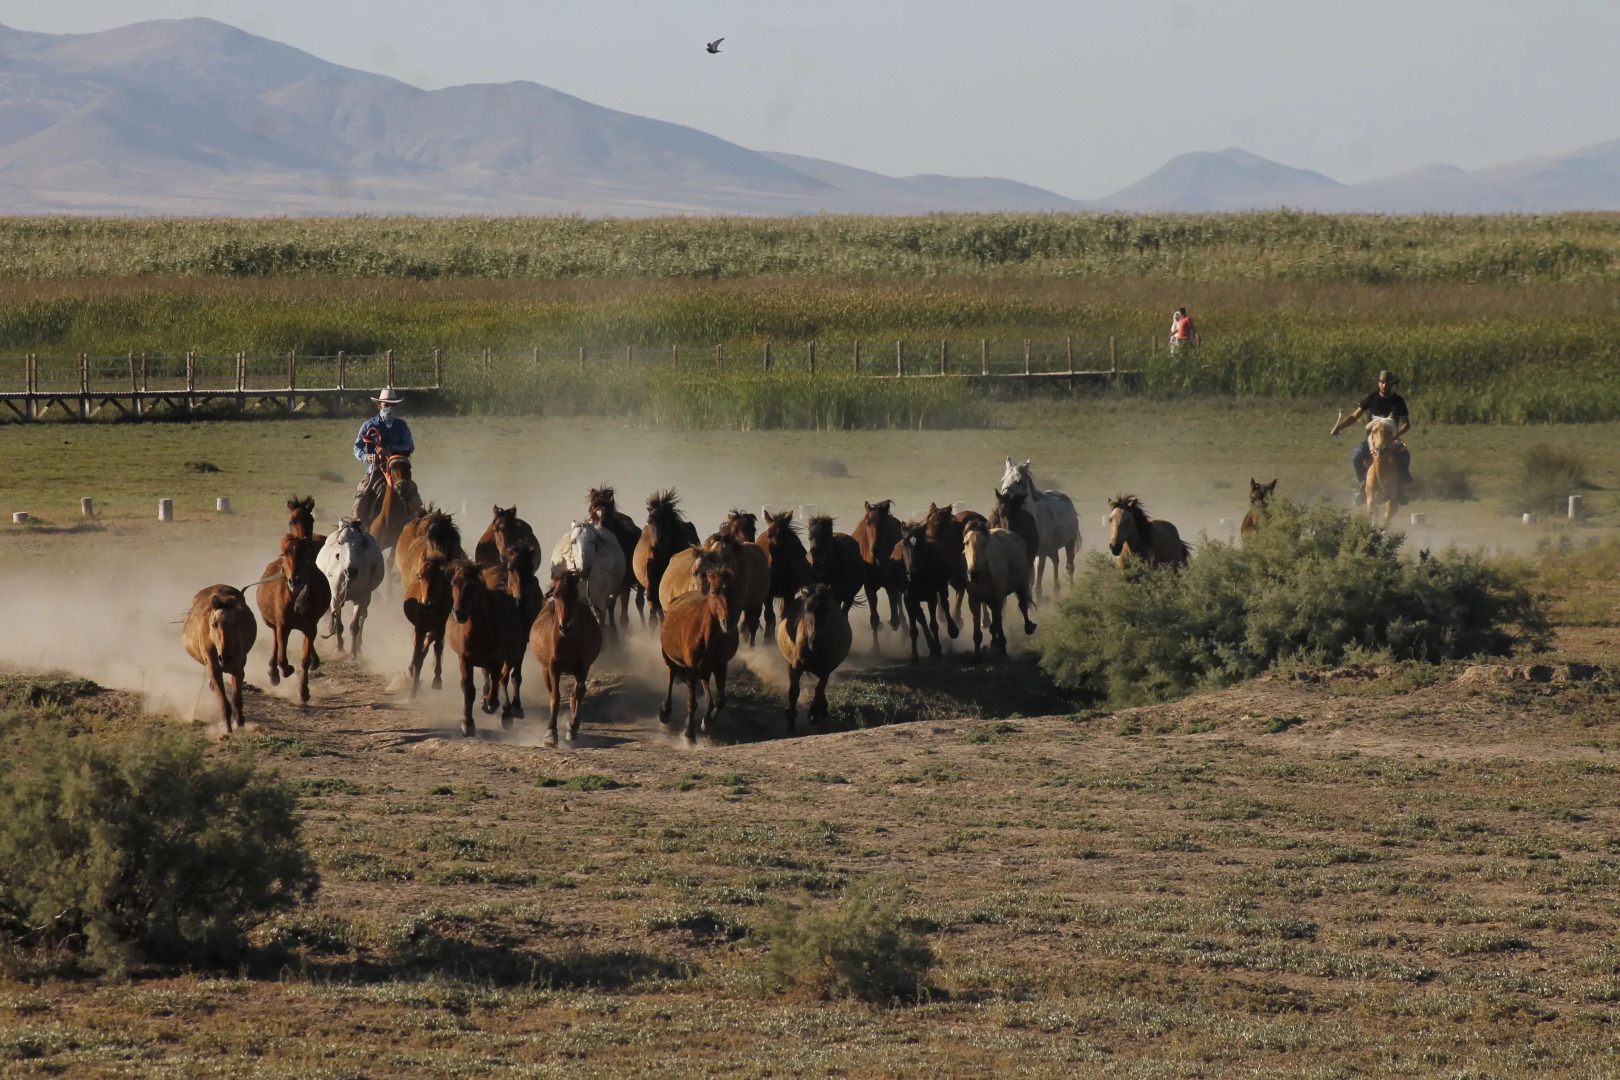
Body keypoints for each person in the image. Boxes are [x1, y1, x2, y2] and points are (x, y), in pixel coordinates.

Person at [1330, 370, 1412, 495]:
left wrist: (1397, 435)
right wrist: (1339, 427)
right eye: (1382, 383)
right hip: (1372, 439)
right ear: (1379, 384)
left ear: (1392, 385)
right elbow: (1354, 416)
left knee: (1405, 456)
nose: (1384, 386)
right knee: (1356, 457)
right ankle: (1361, 485)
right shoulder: (1371, 398)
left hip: (1392, 439)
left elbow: (1406, 424)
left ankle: (1401, 486)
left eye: (1387, 383)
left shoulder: (1398, 400)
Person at [352, 388, 415, 523]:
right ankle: (357, 525)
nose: (389, 408)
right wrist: (367, 457)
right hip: (375, 470)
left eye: (392, 405)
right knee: (362, 496)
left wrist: (390, 449)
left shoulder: (401, 426)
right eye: (386, 404)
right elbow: (357, 447)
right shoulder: (368, 425)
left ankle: (416, 523)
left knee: (414, 493)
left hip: (397, 470)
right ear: (379, 405)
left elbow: (410, 446)